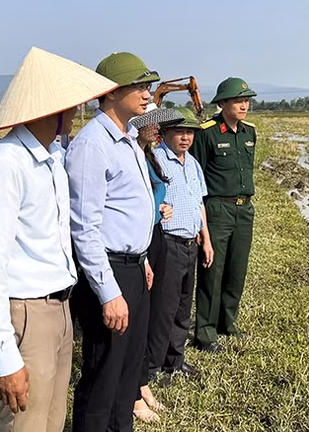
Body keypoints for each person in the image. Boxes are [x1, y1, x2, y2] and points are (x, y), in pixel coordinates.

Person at [0, 47, 117, 432]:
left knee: (52, 421)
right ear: (54, 108)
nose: (78, 111)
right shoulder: (4, 167)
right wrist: (4, 356)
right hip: (28, 313)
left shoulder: (50, 159)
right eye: (73, 104)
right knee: (26, 424)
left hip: (58, 308)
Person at [65, 52, 161, 432]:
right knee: (103, 373)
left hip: (134, 268)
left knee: (127, 373)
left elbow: (129, 212)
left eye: (148, 86)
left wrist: (143, 259)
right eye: (138, 86)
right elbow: (84, 227)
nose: (147, 94)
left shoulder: (128, 140)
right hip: (109, 272)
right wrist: (108, 293)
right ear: (110, 93)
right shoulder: (92, 145)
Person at [189, 77, 258, 353]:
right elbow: (196, 177)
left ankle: (227, 323)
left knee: (236, 270)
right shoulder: (206, 133)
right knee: (212, 270)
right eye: (239, 101)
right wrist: (200, 219)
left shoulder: (249, 132)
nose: (245, 105)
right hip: (217, 208)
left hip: (244, 208)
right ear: (223, 103)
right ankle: (204, 332)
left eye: (246, 100)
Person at [129, 104, 185, 423]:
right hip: (140, 241)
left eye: (159, 126)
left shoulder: (147, 155)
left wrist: (162, 207)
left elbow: (151, 195)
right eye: (151, 124)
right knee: (139, 317)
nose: (156, 129)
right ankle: (136, 391)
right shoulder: (129, 154)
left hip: (155, 235)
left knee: (151, 312)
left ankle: (143, 384)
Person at [151, 106, 215, 369]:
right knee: (163, 308)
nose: (185, 138)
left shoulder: (193, 163)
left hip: (191, 244)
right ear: (164, 133)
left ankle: (175, 360)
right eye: (179, 132)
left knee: (182, 306)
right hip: (168, 244)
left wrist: (206, 238)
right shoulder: (155, 160)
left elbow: (199, 202)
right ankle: (153, 366)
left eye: (189, 132)